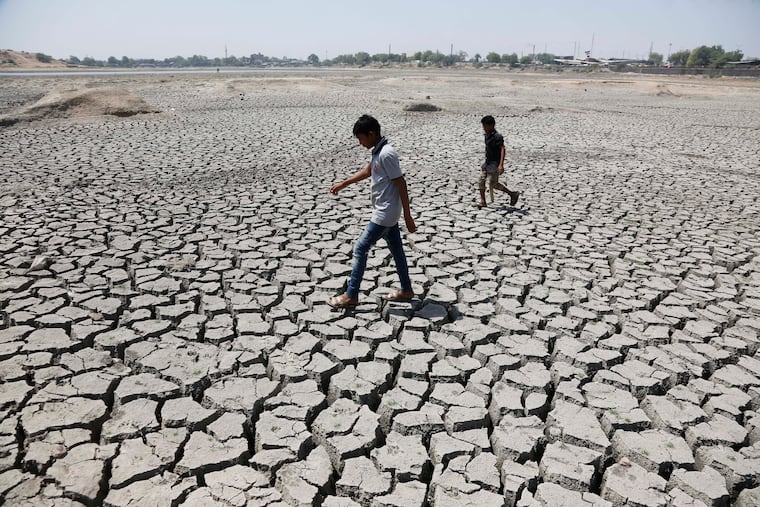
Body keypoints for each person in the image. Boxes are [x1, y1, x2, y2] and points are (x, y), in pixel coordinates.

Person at [326, 114, 417, 309]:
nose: (360, 142)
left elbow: (401, 183)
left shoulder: (386, 154)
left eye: (361, 138)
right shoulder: (379, 152)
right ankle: (407, 289)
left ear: (372, 133)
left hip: (384, 214)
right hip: (387, 213)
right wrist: (343, 184)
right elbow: (368, 171)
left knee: (360, 248)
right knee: (397, 251)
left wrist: (408, 216)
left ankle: (351, 295)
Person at [477, 115, 519, 208]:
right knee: (481, 180)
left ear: (491, 125)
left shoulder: (497, 137)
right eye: (483, 126)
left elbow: (502, 149)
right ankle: (483, 201)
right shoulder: (486, 135)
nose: (484, 128)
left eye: (485, 126)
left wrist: (501, 165)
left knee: (494, 184)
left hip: (494, 164)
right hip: (487, 163)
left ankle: (512, 194)